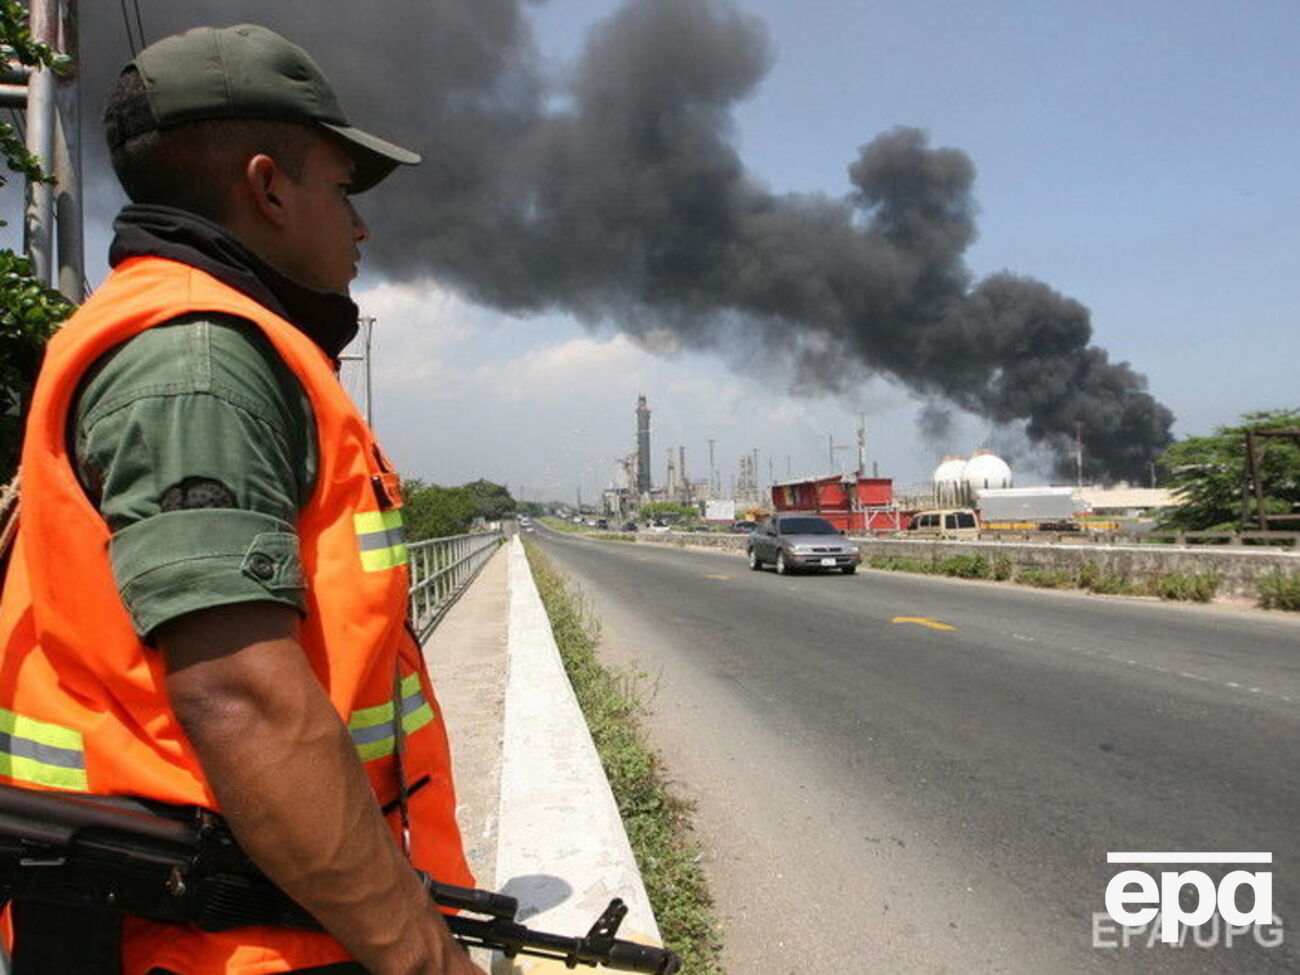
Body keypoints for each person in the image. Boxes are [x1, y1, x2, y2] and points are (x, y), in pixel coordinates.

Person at [0, 24, 484, 975]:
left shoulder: (170, 333)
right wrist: (426, 959)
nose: (360, 226)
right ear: (267, 187)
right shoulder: (200, 362)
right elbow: (241, 695)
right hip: (224, 946)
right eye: (342, 189)